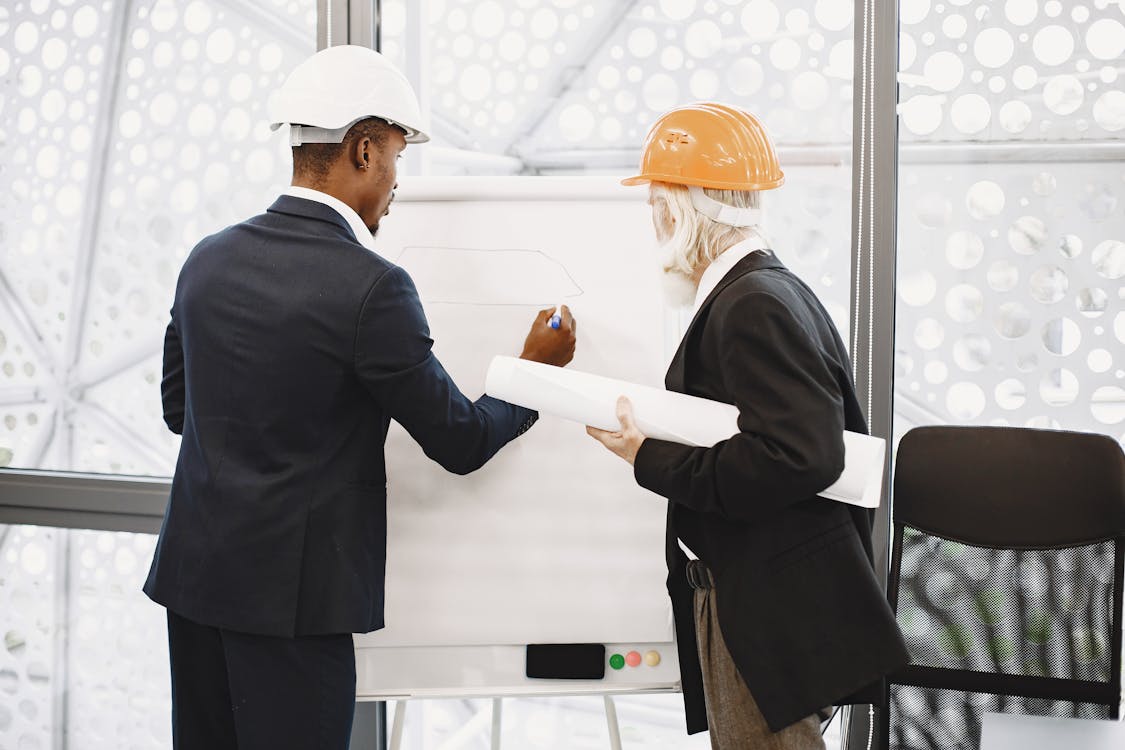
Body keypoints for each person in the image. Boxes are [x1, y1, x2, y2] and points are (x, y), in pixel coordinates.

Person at [143, 45, 576, 750]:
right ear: (364, 150)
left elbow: (176, 411)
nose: (396, 182)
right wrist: (533, 373)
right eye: (398, 158)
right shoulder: (371, 286)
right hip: (292, 612)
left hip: (194, 588)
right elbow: (461, 441)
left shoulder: (208, 257)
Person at [587, 102, 908, 749]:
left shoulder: (751, 303)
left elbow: (799, 454)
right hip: (756, 599)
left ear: (678, 210)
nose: (654, 224)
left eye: (656, 206)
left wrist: (648, 455)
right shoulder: (761, 290)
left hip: (765, 612)